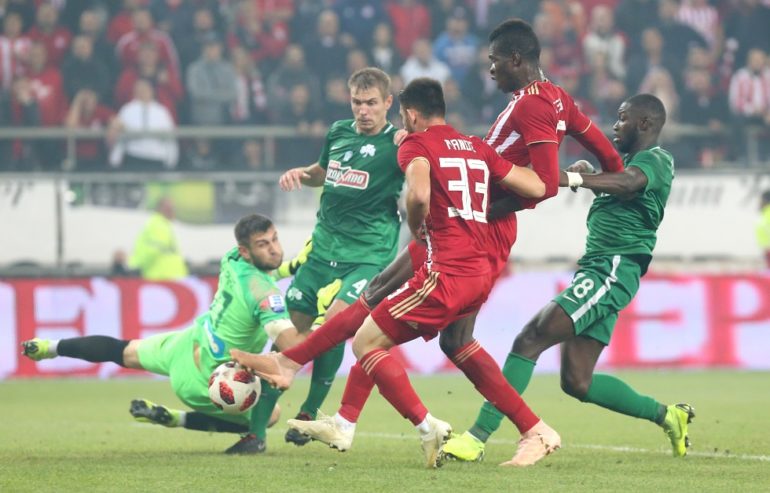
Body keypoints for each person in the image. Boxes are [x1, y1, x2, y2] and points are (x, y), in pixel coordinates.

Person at [233, 18, 623, 462]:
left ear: (516, 59)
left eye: (494, 60)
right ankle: (331, 405)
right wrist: (610, 176)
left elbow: (544, 184)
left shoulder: (531, 105)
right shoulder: (553, 99)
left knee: (388, 321)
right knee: (421, 320)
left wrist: (569, 181)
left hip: (476, 225)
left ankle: (307, 378)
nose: (490, 68)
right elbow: (604, 155)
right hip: (471, 218)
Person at [445, 94, 694, 461]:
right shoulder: (624, 164)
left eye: (622, 118)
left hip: (612, 268)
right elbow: (618, 181)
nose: (615, 125)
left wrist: (573, 177)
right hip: (601, 269)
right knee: (577, 381)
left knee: (530, 338)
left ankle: (477, 438)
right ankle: (668, 415)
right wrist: (587, 173)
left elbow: (628, 184)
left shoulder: (656, 160)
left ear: (644, 123)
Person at [20, 214, 312, 454]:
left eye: (274, 239)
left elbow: (264, 273)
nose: (274, 249)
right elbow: (290, 345)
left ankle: (49, 347)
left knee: (123, 351)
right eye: (263, 244)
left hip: (186, 343)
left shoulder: (232, 258)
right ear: (246, 251)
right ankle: (177, 419)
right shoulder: (264, 295)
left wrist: (293, 265)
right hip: (210, 377)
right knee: (270, 415)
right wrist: (326, 324)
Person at [253, 67, 406, 449]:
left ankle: (308, 412)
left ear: (388, 102)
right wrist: (300, 174)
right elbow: (322, 173)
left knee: (336, 322)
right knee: (289, 333)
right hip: (323, 251)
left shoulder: (401, 143)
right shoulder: (338, 132)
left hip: (368, 255)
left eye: (371, 103)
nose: (363, 110)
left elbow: (426, 176)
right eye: (357, 102)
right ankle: (254, 433)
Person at [127, 197, 188, 281]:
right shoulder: (159, 225)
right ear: (161, 209)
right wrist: (138, 268)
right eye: (170, 208)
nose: (173, 211)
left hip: (164, 276)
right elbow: (153, 251)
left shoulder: (159, 224)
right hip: (161, 277)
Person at [755, 190, 770, 268]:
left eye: (761, 200)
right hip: (766, 249)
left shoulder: (768, 213)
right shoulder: (765, 213)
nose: (759, 203)